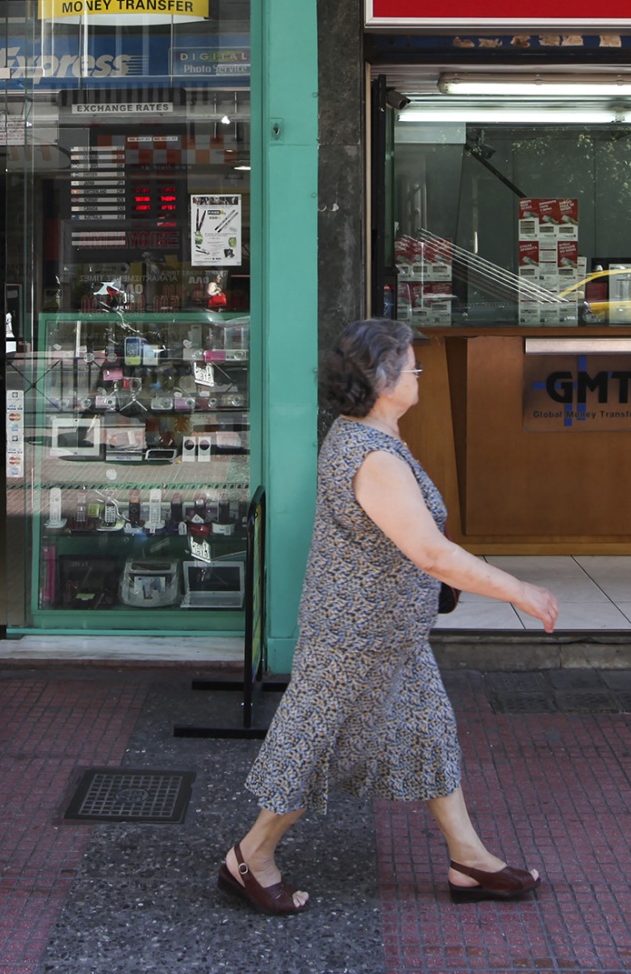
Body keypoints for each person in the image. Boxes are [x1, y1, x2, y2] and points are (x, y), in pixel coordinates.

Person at [219, 318, 561, 916]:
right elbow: (429, 551)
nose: (418, 371)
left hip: (390, 636)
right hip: (356, 639)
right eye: (410, 362)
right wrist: (519, 591)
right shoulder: (371, 456)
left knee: (430, 735)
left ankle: (469, 859)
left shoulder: (369, 436)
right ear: (381, 378)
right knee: (316, 747)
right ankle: (249, 856)